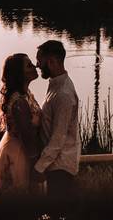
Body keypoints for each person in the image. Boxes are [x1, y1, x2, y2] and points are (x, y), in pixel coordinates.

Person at [0, 53, 42, 198]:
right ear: (20, 73)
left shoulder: (26, 94)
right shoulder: (19, 101)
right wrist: (36, 167)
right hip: (19, 153)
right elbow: (27, 135)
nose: (34, 67)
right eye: (29, 66)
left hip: (20, 147)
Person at [33, 40, 80, 198]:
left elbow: (58, 137)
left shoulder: (63, 94)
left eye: (40, 61)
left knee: (58, 216)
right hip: (55, 166)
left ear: (51, 62)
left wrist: (39, 167)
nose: (37, 65)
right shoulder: (56, 86)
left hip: (60, 168)